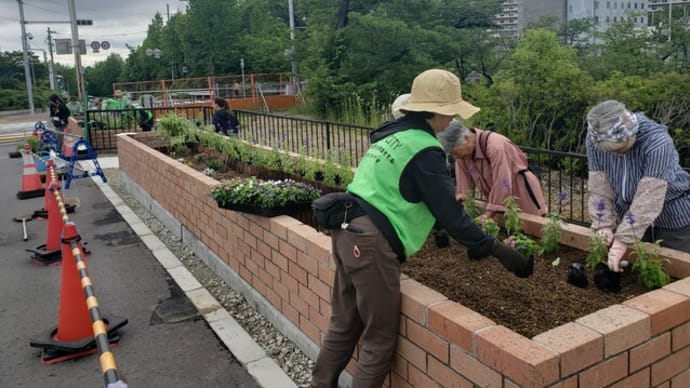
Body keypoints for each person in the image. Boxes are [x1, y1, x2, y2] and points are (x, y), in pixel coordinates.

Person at [310, 69, 533, 388]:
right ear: (438, 111)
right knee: (379, 340)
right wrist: (498, 251)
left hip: (347, 231)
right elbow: (451, 216)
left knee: (344, 323)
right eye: (451, 111)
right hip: (371, 244)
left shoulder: (393, 136)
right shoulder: (424, 149)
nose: (452, 119)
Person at [586, 100, 690, 272]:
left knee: (676, 274)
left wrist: (623, 239)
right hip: (630, 215)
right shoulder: (596, 138)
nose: (616, 155)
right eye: (611, 153)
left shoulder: (657, 142)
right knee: (639, 272)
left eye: (621, 150)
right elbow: (599, 185)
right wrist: (602, 222)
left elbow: (649, 196)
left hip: (673, 218)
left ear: (631, 133)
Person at [436, 121, 548, 218]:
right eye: (451, 154)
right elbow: (464, 186)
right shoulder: (463, 155)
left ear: (466, 138)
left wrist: (488, 214)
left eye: (455, 152)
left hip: (522, 193)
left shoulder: (495, 146)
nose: (455, 157)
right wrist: (462, 208)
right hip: (500, 200)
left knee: (530, 233)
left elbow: (502, 181)